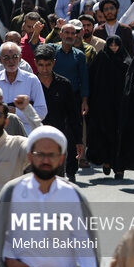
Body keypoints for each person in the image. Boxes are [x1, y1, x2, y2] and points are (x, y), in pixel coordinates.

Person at [0, 126, 99, 267]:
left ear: (62, 158)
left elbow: (85, 243)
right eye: (40, 154)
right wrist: (9, 259)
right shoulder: (13, 191)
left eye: (52, 155)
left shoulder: (72, 195)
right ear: (30, 156)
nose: (46, 160)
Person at [34, 44, 84, 182]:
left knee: (57, 181)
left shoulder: (64, 84)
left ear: (54, 63)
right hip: (35, 140)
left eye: (48, 65)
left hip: (58, 139)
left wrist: (78, 141)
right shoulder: (30, 84)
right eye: (41, 65)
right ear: (35, 63)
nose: (44, 69)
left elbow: (73, 115)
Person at [86, 36, 131, 177]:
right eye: (110, 45)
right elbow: (92, 78)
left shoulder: (126, 61)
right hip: (102, 105)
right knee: (104, 133)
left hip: (120, 105)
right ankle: (106, 161)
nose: (113, 47)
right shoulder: (101, 59)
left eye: (116, 45)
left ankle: (119, 167)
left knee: (120, 136)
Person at [0, 43, 47, 135]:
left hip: (26, 135)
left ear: (20, 58)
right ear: (0, 60)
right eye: (6, 57)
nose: (11, 61)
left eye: (14, 56)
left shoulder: (32, 80)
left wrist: (15, 112)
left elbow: (42, 111)